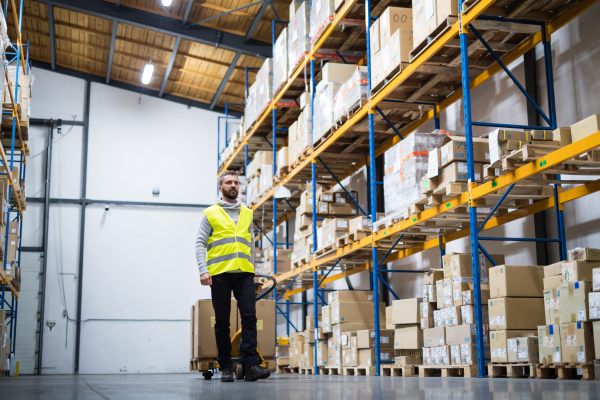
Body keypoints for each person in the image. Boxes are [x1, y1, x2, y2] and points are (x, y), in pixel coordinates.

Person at [196, 171, 271, 382]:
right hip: (219, 273)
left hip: (244, 274)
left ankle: (251, 366)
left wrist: (253, 268)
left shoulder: (247, 213)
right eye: (229, 183)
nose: (233, 186)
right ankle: (226, 366)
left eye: (236, 183)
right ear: (221, 188)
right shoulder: (210, 213)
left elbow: (250, 243)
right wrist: (203, 270)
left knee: (249, 317)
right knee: (222, 321)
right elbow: (200, 243)